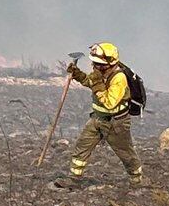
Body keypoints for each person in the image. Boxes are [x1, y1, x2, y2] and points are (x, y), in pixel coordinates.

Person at [61, 41, 144, 187]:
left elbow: (110, 103)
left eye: (99, 64)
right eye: (94, 63)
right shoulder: (99, 72)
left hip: (115, 123)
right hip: (97, 119)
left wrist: (98, 85)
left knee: (125, 153)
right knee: (82, 147)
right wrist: (78, 75)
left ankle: (137, 180)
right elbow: (90, 82)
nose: (95, 66)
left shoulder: (119, 78)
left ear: (110, 63)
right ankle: (73, 179)